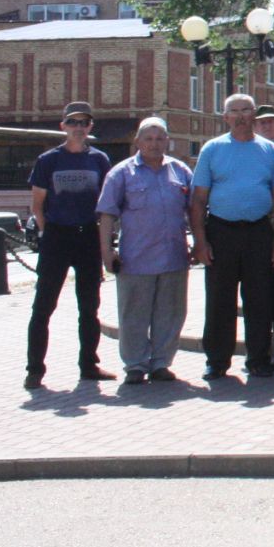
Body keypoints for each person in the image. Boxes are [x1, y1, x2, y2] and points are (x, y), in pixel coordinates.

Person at [190, 93, 274, 380]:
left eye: (246, 110)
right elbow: (198, 200)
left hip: (258, 231)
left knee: (259, 298)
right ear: (225, 117)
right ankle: (217, 361)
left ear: (254, 115)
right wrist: (200, 240)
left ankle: (258, 358)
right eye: (234, 111)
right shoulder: (212, 149)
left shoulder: (269, 151)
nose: (241, 116)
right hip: (221, 232)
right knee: (220, 299)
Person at [24, 101, 115, 389]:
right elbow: (37, 205)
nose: (78, 128)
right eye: (72, 122)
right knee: (43, 307)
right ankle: (34, 370)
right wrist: (46, 233)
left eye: (83, 123)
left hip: (87, 236)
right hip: (57, 237)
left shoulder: (99, 160)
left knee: (89, 307)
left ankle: (89, 365)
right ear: (62, 126)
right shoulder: (48, 160)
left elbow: (107, 204)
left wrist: (105, 244)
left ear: (90, 127)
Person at [95, 116, 192, 385]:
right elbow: (106, 216)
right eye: (148, 139)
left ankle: (161, 363)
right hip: (135, 259)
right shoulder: (121, 173)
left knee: (171, 314)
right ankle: (135, 365)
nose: (154, 144)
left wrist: (199, 244)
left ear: (167, 141)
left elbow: (194, 210)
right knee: (134, 315)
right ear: (137, 142)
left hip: (174, 257)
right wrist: (107, 252)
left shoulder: (180, 171)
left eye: (160, 138)